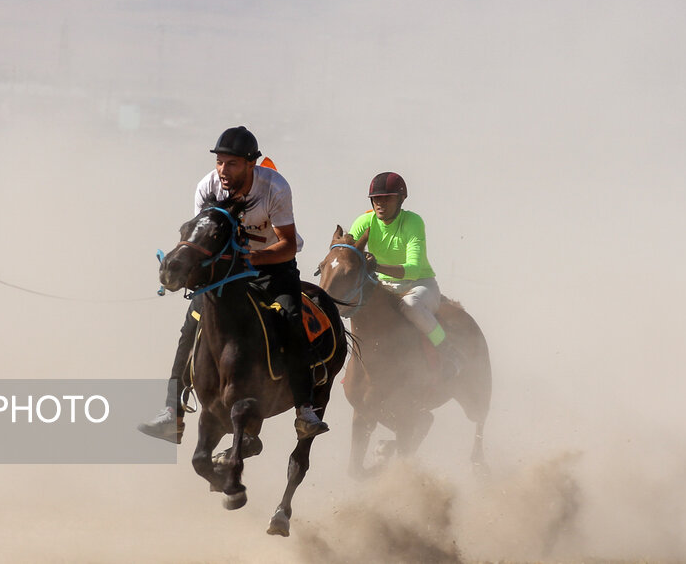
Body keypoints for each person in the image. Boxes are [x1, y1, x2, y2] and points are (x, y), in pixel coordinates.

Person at [139, 126, 328, 443]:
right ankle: (173, 412)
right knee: (192, 323)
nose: (223, 171)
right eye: (220, 162)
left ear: (251, 164)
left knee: (291, 318)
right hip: (226, 271)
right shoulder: (207, 186)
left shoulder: (275, 188)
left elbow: (288, 245)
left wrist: (250, 259)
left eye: (232, 164)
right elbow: (200, 238)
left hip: (274, 268)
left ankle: (305, 410)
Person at [349, 172, 459, 376]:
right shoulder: (363, 222)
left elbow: (413, 269)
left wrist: (377, 266)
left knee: (411, 306)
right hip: (382, 286)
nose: (380, 203)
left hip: (419, 285)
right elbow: (348, 254)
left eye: (387, 198)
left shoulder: (413, 222)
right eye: (376, 199)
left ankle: (449, 353)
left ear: (401, 199)